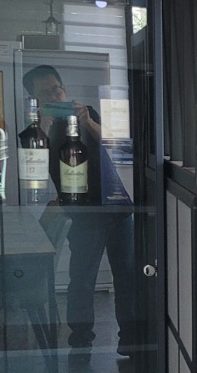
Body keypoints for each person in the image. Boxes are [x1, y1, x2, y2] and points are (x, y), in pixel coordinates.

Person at [22, 64, 137, 356]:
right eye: (46, 93)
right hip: (82, 213)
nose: (54, 95)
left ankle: (130, 338)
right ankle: (81, 338)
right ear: (35, 100)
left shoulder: (87, 113)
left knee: (127, 276)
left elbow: (116, 146)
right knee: (82, 277)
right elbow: (33, 166)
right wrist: (45, 125)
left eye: (57, 89)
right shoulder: (35, 131)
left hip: (117, 205)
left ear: (65, 88)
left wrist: (87, 121)